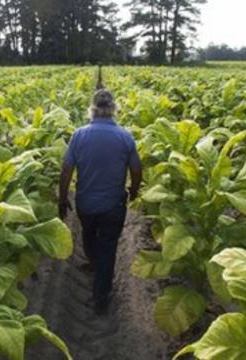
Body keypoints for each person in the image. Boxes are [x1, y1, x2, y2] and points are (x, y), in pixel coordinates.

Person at [58, 88, 143, 315]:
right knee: (108, 247)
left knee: (88, 234)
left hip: (86, 204)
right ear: (114, 110)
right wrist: (133, 191)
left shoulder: (79, 135)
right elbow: (136, 169)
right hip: (114, 206)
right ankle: (101, 294)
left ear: (92, 110)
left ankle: (95, 265)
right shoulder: (125, 136)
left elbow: (66, 170)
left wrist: (62, 197)